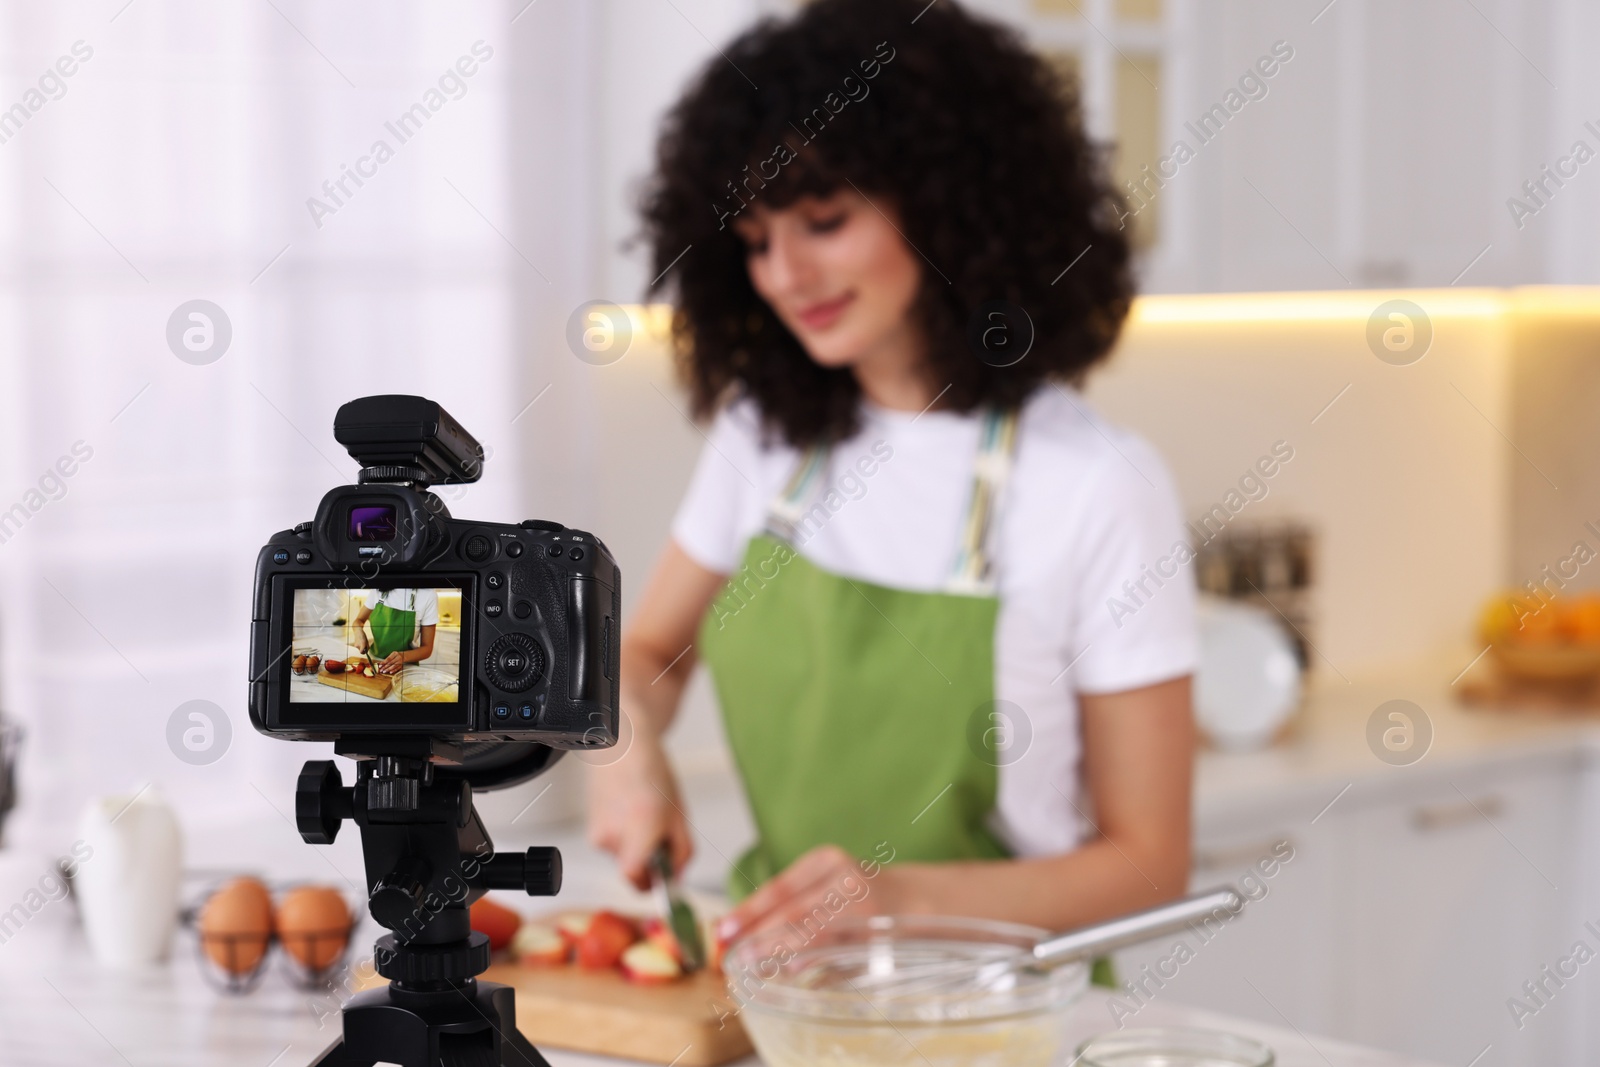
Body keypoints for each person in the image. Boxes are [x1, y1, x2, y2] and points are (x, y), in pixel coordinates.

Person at [591, 0, 1198, 954]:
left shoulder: (1096, 483)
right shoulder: (764, 437)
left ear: (950, 201)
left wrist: (897, 902)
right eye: (753, 240)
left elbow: (1150, 862)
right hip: (784, 994)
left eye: (823, 221)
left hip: (998, 1018)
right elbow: (648, 654)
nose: (785, 274)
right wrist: (625, 750)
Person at [352, 588, 437, 675]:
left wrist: (403, 657)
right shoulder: (378, 588)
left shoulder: (428, 594)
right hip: (375, 662)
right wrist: (358, 631)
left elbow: (427, 649)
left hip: (405, 669)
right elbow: (359, 620)